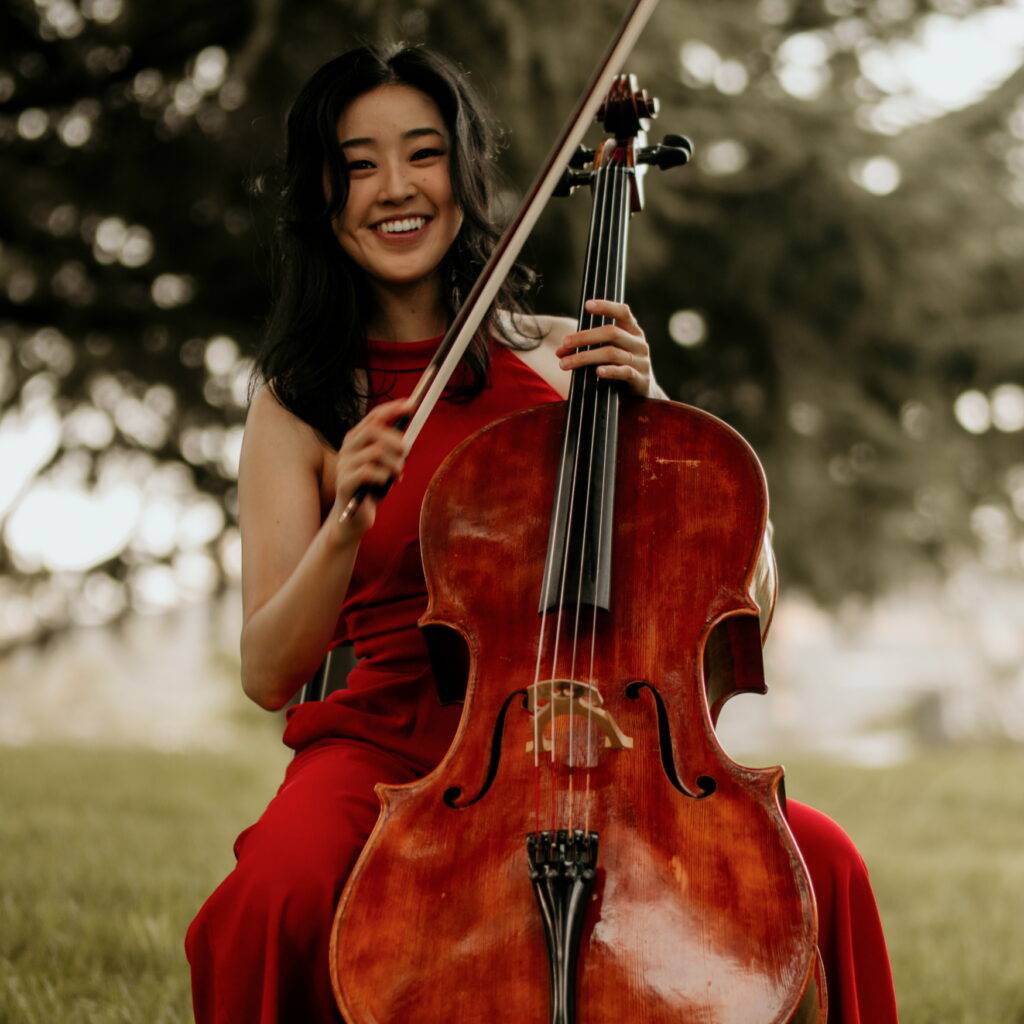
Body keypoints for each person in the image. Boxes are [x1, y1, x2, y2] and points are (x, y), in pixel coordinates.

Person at [185, 43, 899, 1024]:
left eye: (422, 154)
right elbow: (269, 670)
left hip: (591, 736)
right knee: (272, 896)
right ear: (324, 195)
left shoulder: (568, 359)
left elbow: (740, 599)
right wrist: (347, 518)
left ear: (464, 174)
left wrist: (658, 417)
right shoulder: (302, 399)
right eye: (358, 163)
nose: (394, 187)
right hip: (389, 747)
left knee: (825, 865)